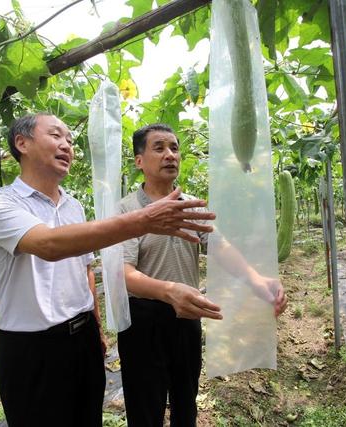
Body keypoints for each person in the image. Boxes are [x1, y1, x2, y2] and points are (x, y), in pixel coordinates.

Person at [0, 113, 215, 427]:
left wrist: (97, 327)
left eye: (70, 141)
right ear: (22, 143)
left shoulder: (73, 206)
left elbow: (85, 270)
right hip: (32, 347)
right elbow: (48, 245)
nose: (67, 146)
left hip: (83, 337)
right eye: (56, 136)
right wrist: (143, 221)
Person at [118, 123, 288, 427]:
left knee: (186, 401)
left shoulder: (190, 204)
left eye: (174, 147)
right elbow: (125, 275)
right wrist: (168, 291)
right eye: (159, 148)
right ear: (139, 161)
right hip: (143, 320)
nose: (170, 154)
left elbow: (220, 247)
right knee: (145, 407)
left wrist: (255, 279)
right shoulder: (127, 210)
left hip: (187, 314)